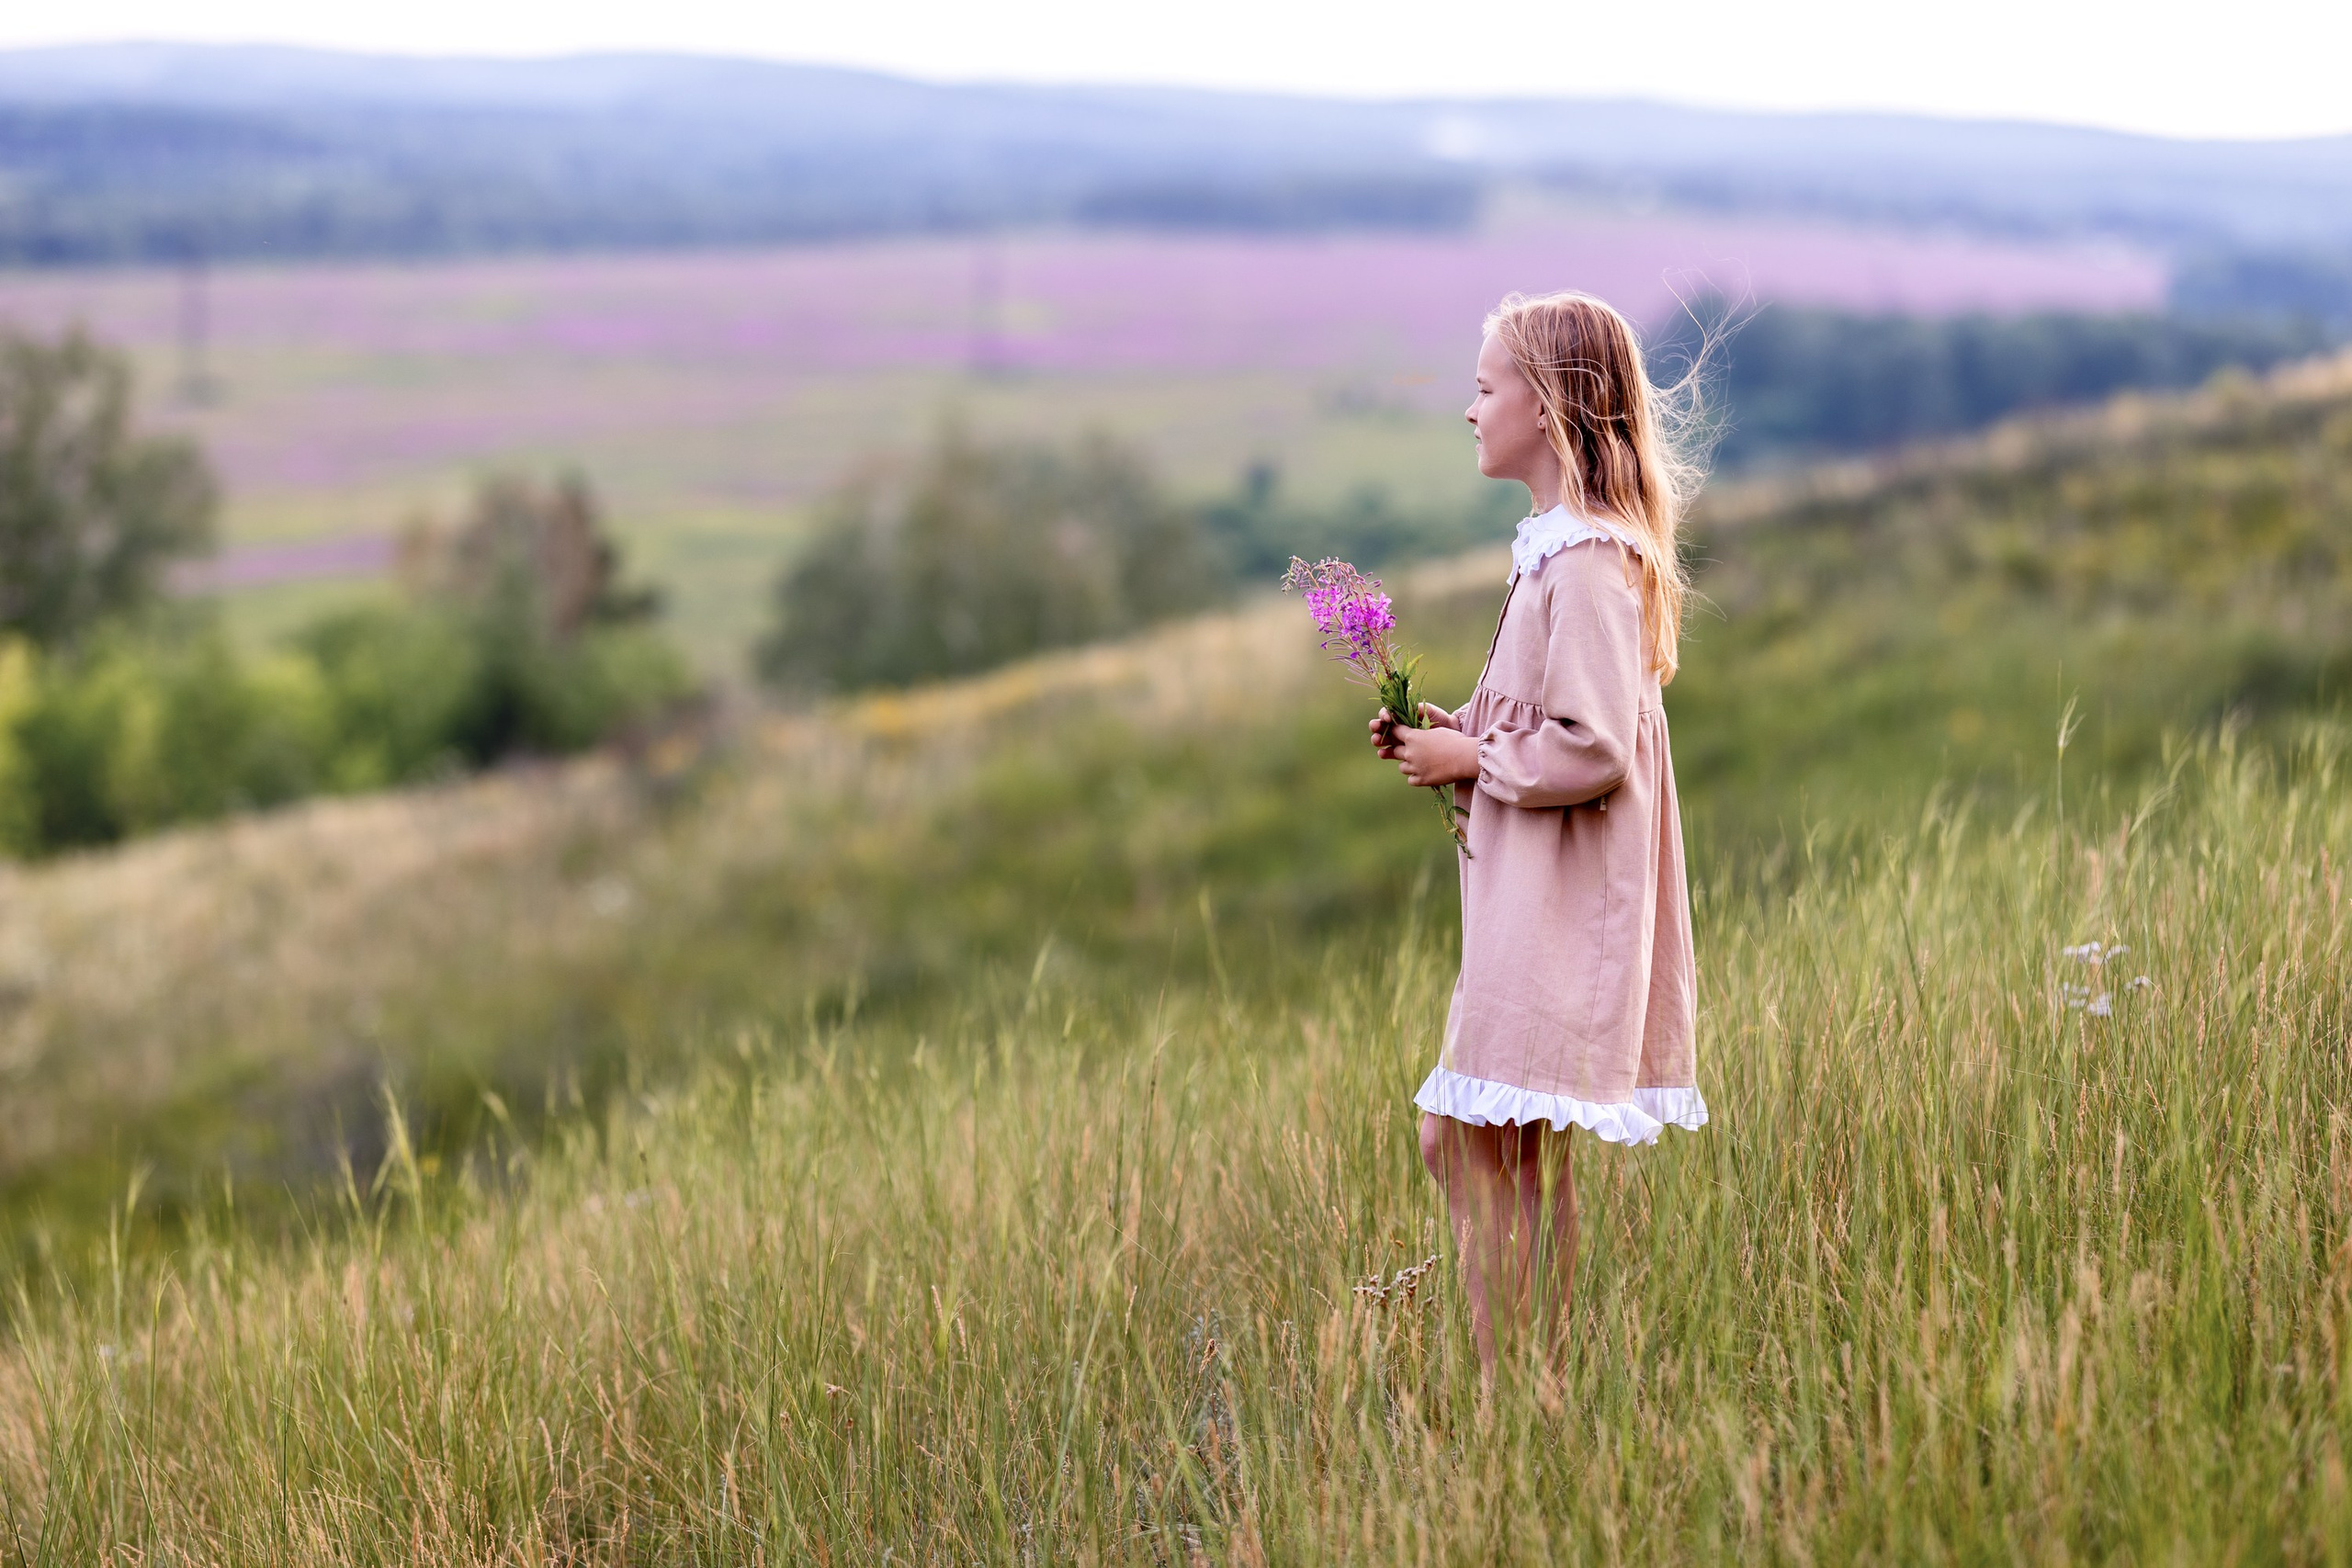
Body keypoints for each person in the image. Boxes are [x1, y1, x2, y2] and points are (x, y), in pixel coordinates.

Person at [1372, 290, 1708, 1373]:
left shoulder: (1590, 565)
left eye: (1484, 389)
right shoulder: (1555, 557)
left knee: (1479, 1146)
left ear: (1550, 406)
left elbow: (1594, 744)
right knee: (1491, 1149)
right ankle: (1524, 1386)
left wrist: (1472, 760)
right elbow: (1540, 714)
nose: (1469, 411)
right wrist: (1452, 733)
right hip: (1528, 902)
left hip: (1563, 914)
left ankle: (1518, 1387)